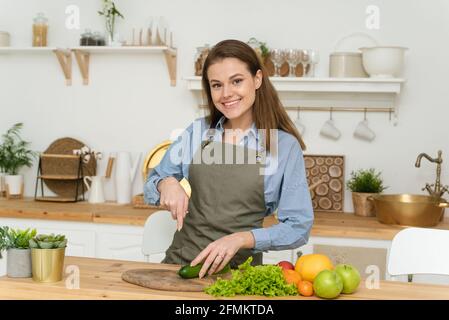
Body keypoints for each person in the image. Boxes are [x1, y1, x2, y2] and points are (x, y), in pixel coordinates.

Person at [144, 39, 313, 279]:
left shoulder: (283, 147)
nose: (226, 94)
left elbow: (298, 226)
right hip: (180, 266)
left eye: (236, 81)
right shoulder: (197, 132)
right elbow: (153, 181)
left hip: (240, 278)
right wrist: (166, 183)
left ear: (256, 79)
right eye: (216, 85)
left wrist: (242, 238)